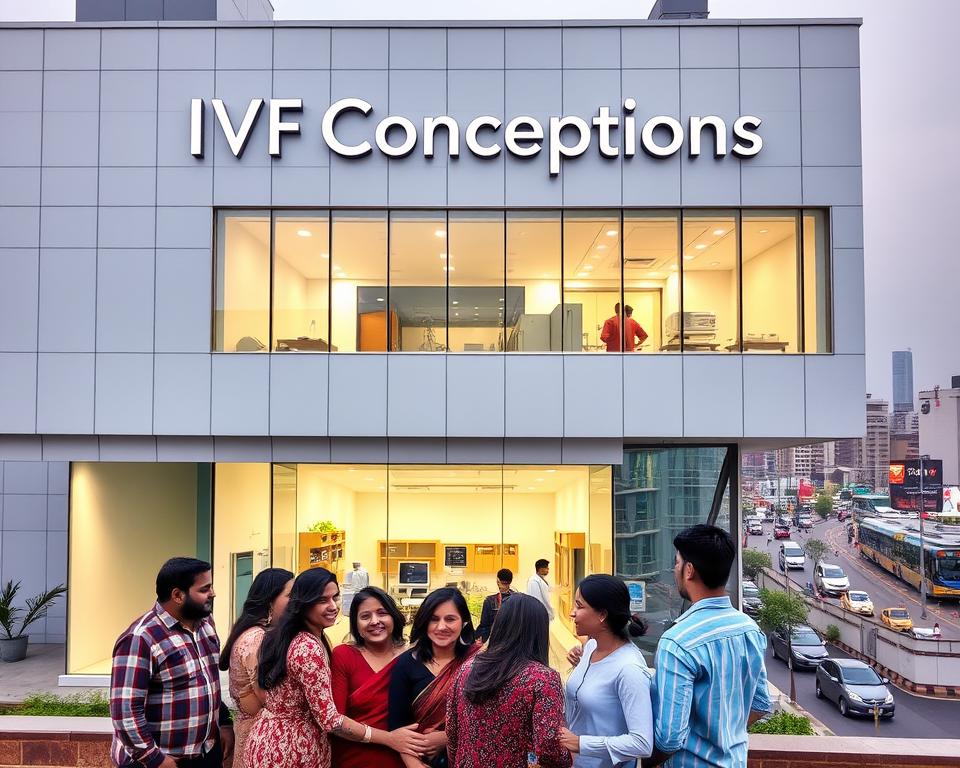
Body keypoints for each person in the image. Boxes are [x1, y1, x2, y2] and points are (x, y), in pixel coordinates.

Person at [245, 568, 428, 768]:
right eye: (323, 600)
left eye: (335, 598)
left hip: (274, 740)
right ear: (304, 604)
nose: (333, 606)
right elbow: (331, 720)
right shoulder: (308, 647)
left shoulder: (298, 637)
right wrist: (390, 738)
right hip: (290, 750)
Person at [645, 525, 772, 768]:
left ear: (689, 570)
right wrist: (722, 734)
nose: (675, 569)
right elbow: (761, 704)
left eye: (677, 562)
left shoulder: (678, 642)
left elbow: (669, 739)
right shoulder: (749, 629)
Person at [110, 557, 235, 768]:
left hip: (205, 755)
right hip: (160, 761)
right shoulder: (141, 637)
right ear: (177, 595)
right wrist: (154, 759)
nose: (212, 593)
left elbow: (207, 682)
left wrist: (223, 722)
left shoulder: (205, 625)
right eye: (204, 589)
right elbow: (125, 711)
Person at [447, 593, 571, 768]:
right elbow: (547, 746)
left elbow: (452, 733)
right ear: (539, 631)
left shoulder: (467, 668)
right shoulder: (542, 678)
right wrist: (569, 759)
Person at [559, 575, 653, 768]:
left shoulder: (629, 669)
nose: (572, 613)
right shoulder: (592, 645)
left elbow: (642, 743)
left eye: (579, 606)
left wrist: (581, 743)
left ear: (602, 615)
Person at [388, 587, 481, 768]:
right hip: (419, 759)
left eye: (450, 619)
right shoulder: (405, 664)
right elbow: (398, 725)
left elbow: (491, 719)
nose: (441, 627)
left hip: (472, 758)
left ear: (464, 622)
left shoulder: (479, 662)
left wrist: (446, 737)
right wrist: (414, 764)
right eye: (434, 619)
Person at [219, 567, 294, 768]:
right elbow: (268, 699)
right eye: (290, 595)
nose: (296, 602)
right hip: (259, 740)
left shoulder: (258, 634)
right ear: (270, 601)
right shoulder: (257, 639)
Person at [332, 586, 409, 768]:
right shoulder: (344, 655)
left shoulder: (412, 657)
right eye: (365, 616)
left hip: (404, 757)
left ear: (393, 617)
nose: (375, 621)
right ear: (356, 625)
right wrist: (389, 739)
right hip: (354, 756)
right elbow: (335, 721)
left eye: (382, 613)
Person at [475, 568, 516, 643]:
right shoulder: (519, 600)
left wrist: (477, 637)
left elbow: (484, 626)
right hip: (512, 643)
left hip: (494, 643)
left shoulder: (489, 601)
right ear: (511, 581)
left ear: (497, 581)